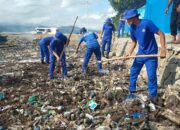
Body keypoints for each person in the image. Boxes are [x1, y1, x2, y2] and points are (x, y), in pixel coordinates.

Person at [124, 9, 166, 103]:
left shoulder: (147, 23)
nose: (127, 21)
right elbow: (134, 41)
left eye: (128, 19)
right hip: (140, 55)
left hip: (151, 55)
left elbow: (161, 33)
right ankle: (132, 91)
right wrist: (129, 52)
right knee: (133, 72)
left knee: (151, 76)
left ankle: (153, 96)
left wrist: (163, 49)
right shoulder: (132, 28)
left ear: (134, 17)